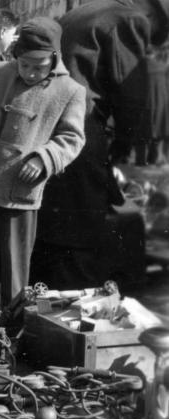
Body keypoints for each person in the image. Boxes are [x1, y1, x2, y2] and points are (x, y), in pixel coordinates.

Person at [30, 0, 169, 290]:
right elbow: (133, 101)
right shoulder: (131, 19)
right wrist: (122, 152)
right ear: (153, 15)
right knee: (79, 242)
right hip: (78, 136)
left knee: (49, 240)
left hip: (42, 130)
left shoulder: (84, 12)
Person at [0, 17, 86, 318]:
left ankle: (12, 326)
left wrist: (44, 158)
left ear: (55, 58)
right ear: (15, 56)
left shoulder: (70, 90)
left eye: (39, 66)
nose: (30, 72)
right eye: (24, 64)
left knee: (16, 266)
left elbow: (72, 138)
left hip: (23, 191)